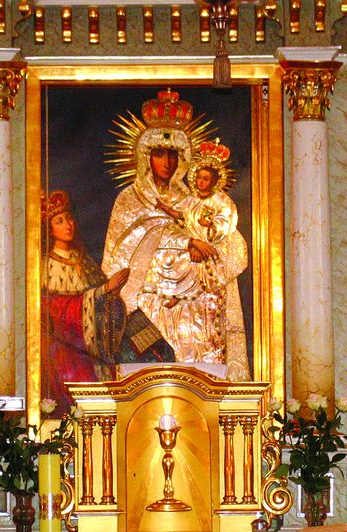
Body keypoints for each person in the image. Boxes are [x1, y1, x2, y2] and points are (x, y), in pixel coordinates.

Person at [102, 91, 250, 379]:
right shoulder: (129, 199)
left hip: (192, 304)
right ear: (146, 157)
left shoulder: (193, 198)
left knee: (198, 366)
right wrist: (187, 241)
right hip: (149, 298)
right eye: (159, 154)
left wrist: (206, 245)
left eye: (173, 154)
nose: (167, 162)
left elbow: (220, 239)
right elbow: (121, 252)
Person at [42, 190, 173, 414]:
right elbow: (56, 312)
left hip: (99, 350)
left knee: (149, 346)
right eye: (59, 221)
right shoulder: (47, 267)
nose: (68, 225)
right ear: (49, 230)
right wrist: (104, 291)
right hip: (69, 354)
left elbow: (106, 304)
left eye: (69, 218)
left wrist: (112, 296)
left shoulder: (84, 261)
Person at [146, 140, 250, 376]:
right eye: (199, 178)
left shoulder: (222, 202)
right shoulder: (190, 200)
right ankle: (176, 295)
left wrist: (209, 229)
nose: (202, 182)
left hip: (212, 262)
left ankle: (213, 370)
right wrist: (188, 239)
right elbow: (179, 218)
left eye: (206, 179)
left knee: (211, 321)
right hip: (190, 255)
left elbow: (225, 225)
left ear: (215, 181)